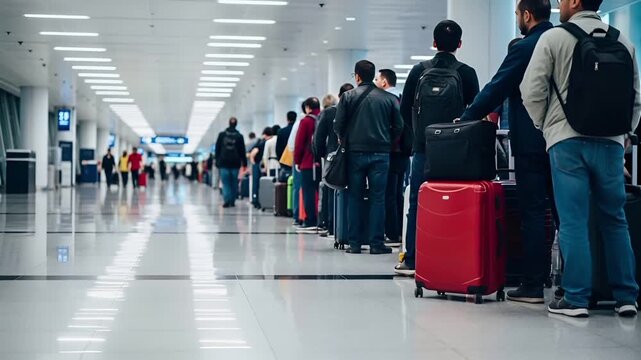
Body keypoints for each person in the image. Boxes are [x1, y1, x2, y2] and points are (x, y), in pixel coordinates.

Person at [521, 0, 640, 317]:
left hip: (567, 140)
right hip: (611, 142)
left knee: (573, 221)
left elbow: (531, 90)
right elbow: (636, 97)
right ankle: (626, 296)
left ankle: (576, 298)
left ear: (575, 1)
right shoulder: (622, 41)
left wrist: (546, 126)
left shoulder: (555, 38)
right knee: (615, 219)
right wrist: (622, 134)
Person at [456, 0, 555, 304]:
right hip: (567, 140)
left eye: (516, 15)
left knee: (534, 211)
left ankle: (533, 284)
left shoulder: (526, 47)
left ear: (526, 15)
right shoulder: (565, 41)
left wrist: (467, 116)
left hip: (533, 142)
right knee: (568, 215)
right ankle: (576, 287)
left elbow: (496, 88)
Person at [396, 20, 480, 274]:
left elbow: (403, 109)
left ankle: (412, 259)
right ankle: (451, 256)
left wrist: (417, 138)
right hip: (454, 149)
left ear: (434, 43)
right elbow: (475, 112)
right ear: (460, 44)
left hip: (423, 146)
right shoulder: (466, 72)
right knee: (453, 201)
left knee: (418, 200)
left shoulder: (418, 71)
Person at [334, 60, 404, 254]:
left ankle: (355, 244)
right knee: (378, 199)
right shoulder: (389, 99)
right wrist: (387, 141)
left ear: (357, 76)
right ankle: (376, 244)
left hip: (355, 153)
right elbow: (399, 126)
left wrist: (345, 139)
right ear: (373, 76)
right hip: (381, 154)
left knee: (355, 197)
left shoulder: (347, 97)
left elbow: (338, 125)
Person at [375, 69, 411, 247]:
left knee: (388, 193)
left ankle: (391, 232)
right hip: (404, 152)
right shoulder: (404, 98)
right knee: (398, 192)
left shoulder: (387, 100)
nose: (375, 82)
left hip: (391, 152)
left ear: (384, 82)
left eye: (377, 78)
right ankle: (399, 230)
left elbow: (394, 126)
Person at [315, 84, 355, 237]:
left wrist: (319, 156)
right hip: (354, 154)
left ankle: (332, 226)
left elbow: (319, 138)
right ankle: (347, 228)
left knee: (333, 188)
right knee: (353, 190)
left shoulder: (329, 112)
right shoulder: (359, 110)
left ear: (339, 96)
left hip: (333, 157)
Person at [295, 97, 322, 233]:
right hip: (322, 163)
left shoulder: (306, 121)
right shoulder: (323, 117)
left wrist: (297, 161)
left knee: (308, 192)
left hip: (307, 163)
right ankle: (322, 220)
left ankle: (310, 220)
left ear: (307, 107)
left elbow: (299, 144)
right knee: (321, 191)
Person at [215, 117, 248, 208]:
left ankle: (227, 200)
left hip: (223, 163)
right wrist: (244, 163)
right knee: (234, 183)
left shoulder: (221, 135)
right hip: (235, 163)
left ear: (228, 123)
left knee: (225, 183)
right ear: (236, 124)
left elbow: (217, 149)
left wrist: (217, 161)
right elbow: (242, 151)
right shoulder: (239, 136)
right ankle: (232, 201)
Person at [249, 127, 274, 208]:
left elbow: (252, 154)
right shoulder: (266, 142)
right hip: (265, 165)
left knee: (256, 183)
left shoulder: (261, 142)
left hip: (258, 165)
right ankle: (260, 200)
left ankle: (255, 200)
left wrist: (254, 163)